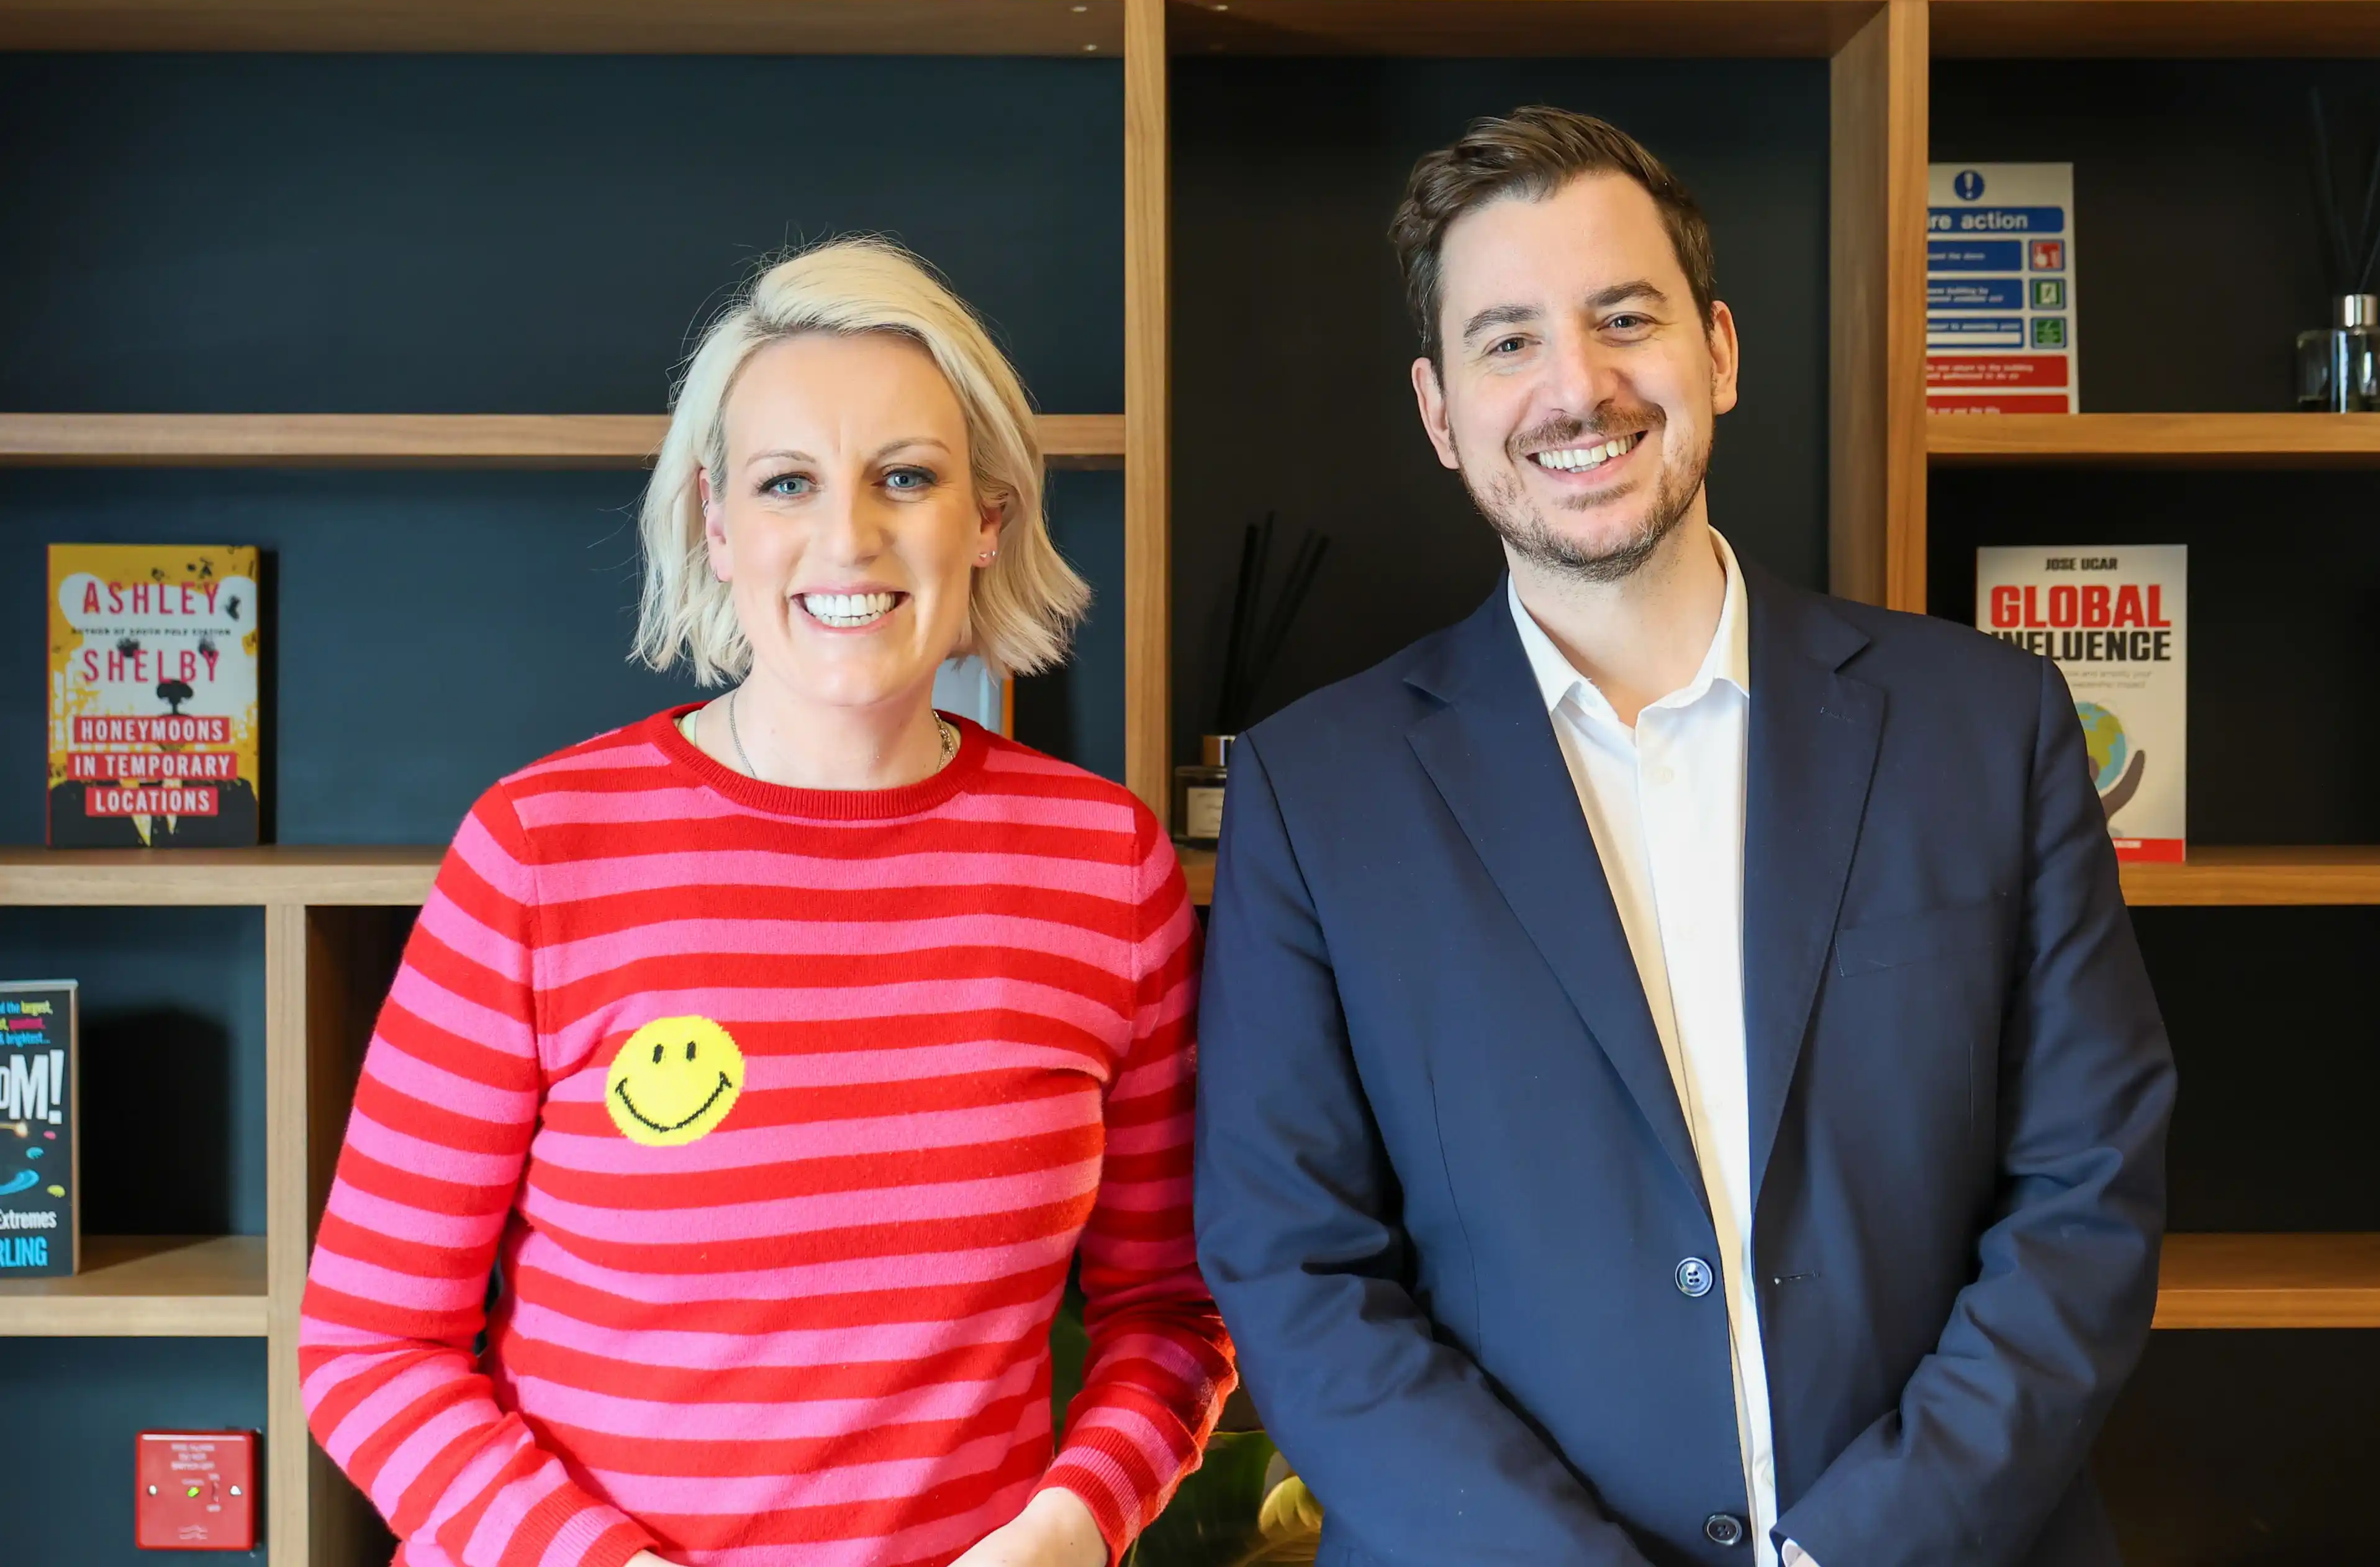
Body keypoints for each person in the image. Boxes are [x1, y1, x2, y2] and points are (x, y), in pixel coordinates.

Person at [1193, 108, 2173, 1567]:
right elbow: (1297, 1269)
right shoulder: (1315, 794)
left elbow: (2088, 1192)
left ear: (1718, 348)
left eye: (1623, 317)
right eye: (1507, 339)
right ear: (1439, 408)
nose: (1575, 385)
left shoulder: (1989, 725)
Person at [299, 238, 1234, 1567]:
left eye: (905, 477)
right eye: (788, 481)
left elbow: (1167, 1312)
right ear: (719, 524)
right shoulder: (537, 849)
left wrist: (1068, 1532)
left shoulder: (1106, 869)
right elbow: (369, 1344)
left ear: (989, 516)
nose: (848, 534)